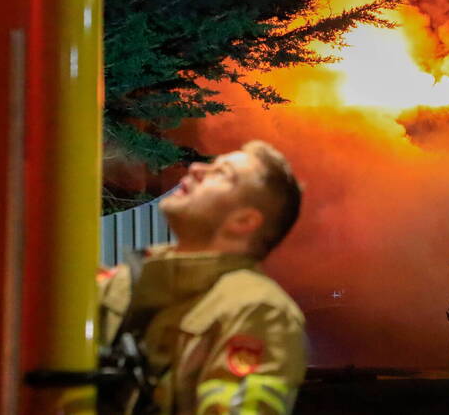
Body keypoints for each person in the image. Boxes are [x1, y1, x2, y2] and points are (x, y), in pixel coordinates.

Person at [97, 140, 306, 415]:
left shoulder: (258, 311)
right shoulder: (122, 283)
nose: (196, 168)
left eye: (222, 174)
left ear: (244, 221)